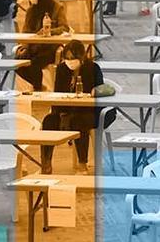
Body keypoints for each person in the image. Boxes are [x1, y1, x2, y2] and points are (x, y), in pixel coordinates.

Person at [39, 41, 115, 174]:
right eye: (67, 58)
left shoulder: (93, 68)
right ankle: (46, 163)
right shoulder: (62, 69)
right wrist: (61, 113)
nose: (69, 61)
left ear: (81, 57)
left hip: (91, 111)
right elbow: (58, 94)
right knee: (48, 121)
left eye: (72, 58)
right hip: (67, 110)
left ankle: (82, 164)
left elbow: (100, 91)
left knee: (79, 122)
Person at [15, 0, 69, 90]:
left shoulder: (57, 8)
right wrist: (25, 47)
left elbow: (64, 27)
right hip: (33, 46)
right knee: (17, 63)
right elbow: (26, 31)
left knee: (35, 64)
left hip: (49, 48)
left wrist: (48, 31)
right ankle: (40, 86)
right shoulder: (31, 10)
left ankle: (37, 88)